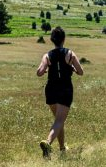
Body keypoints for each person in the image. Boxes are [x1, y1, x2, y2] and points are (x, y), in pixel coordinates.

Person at [36, 26, 84, 156]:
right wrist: (73, 68)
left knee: (58, 120)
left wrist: (46, 69)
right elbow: (81, 72)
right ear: (64, 39)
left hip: (51, 89)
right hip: (65, 89)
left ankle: (62, 148)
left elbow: (39, 72)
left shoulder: (47, 55)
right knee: (59, 121)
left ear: (52, 40)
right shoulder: (70, 54)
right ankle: (47, 143)